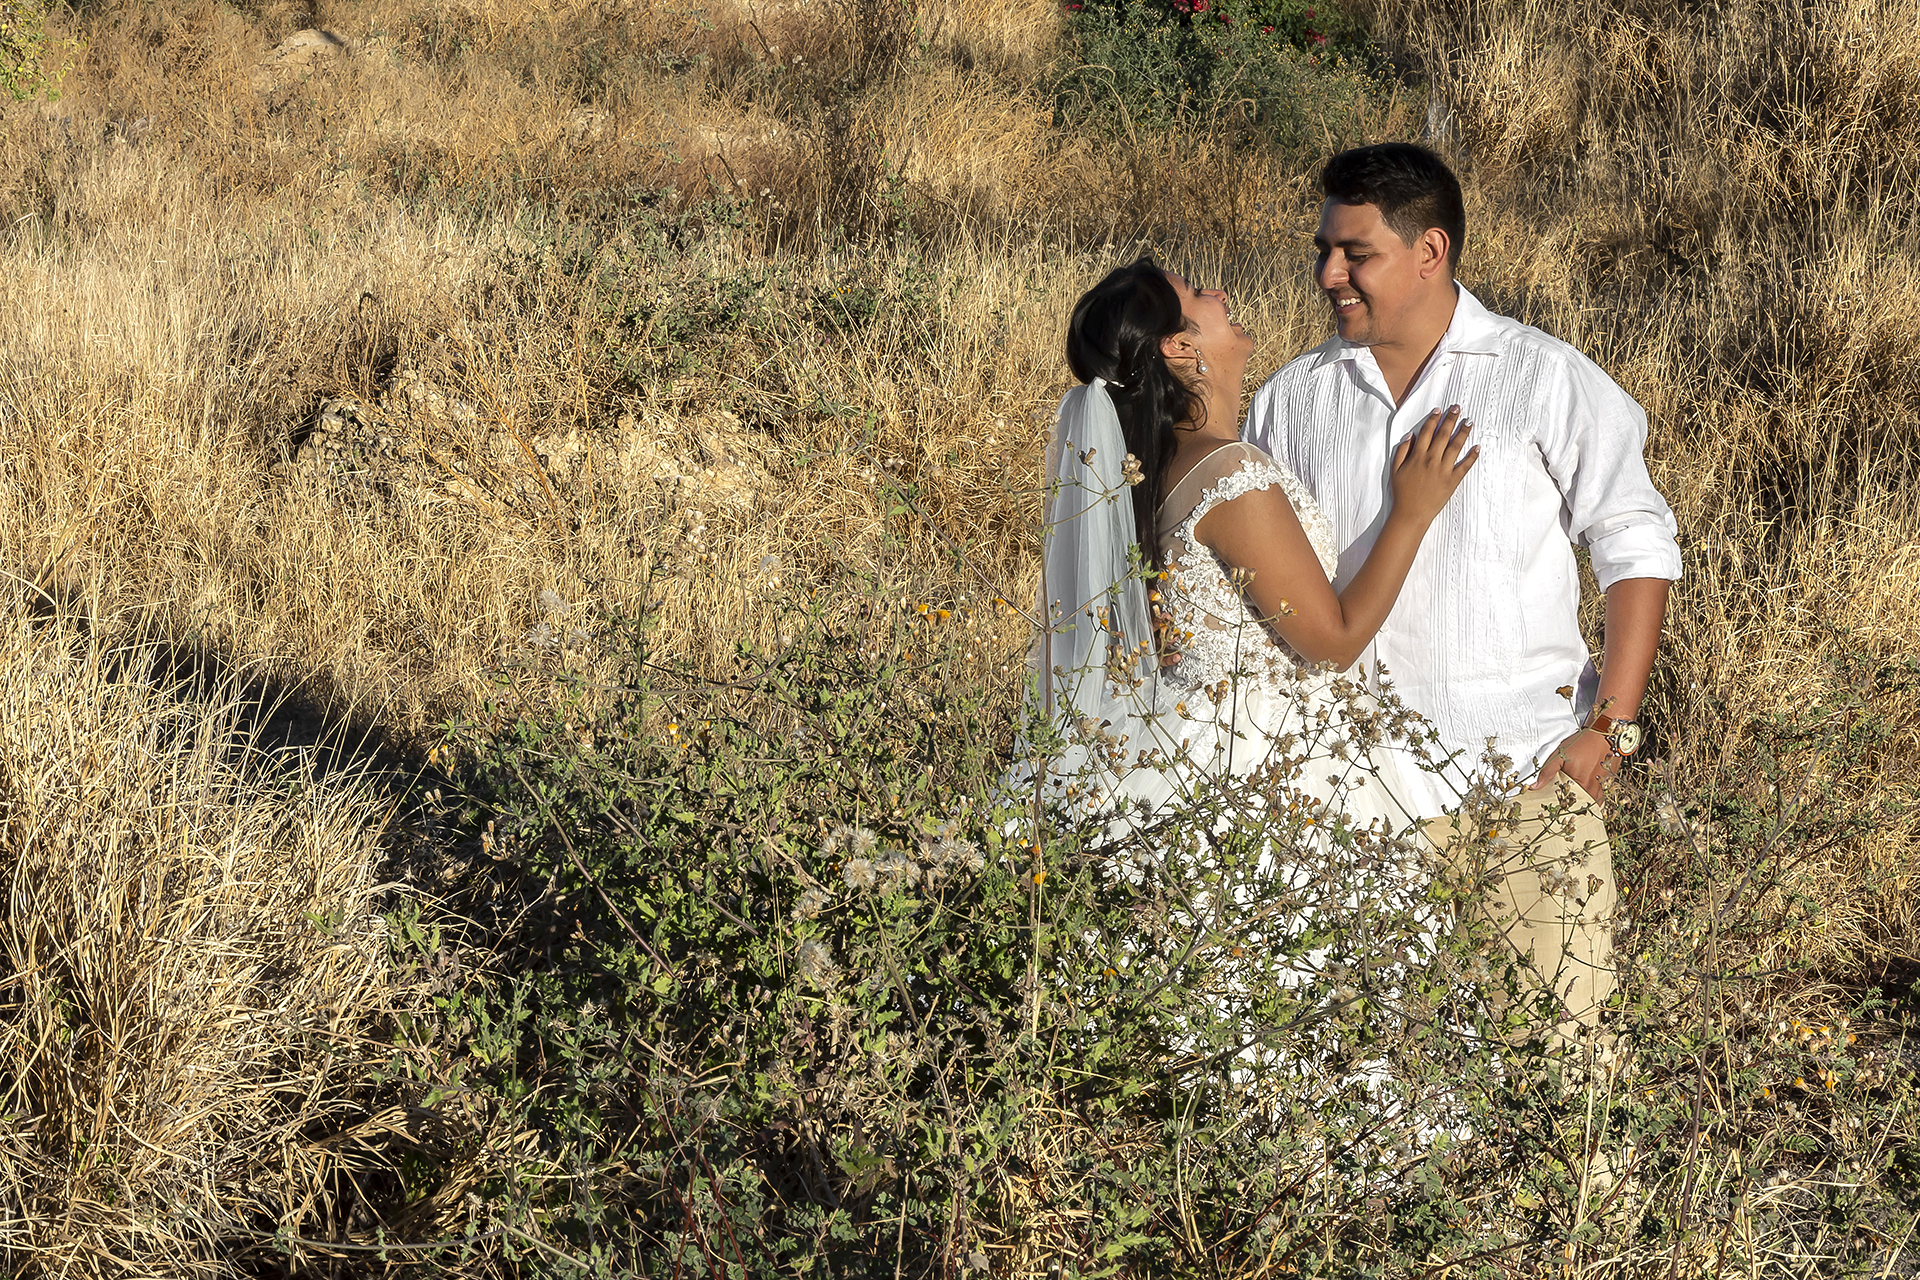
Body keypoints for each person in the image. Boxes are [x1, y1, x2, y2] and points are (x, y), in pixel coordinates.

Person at [1242, 143, 1683, 1032]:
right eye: (1322, 250)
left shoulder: (1542, 377)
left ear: (1430, 251)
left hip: (1521, 784)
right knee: (1378, 1097)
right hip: (1347, 809)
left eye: (1355, 253)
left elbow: (1634, 543)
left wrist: (1610, 728)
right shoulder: (1291, 401)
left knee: (1566, 1072)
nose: (1329, 273)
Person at [1027, 255, 1478, 853]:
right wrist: (1411, 513)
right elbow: (1334, 640)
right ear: (1179, 348)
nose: (1217, 290)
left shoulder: (1150, 476)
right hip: (1263, 758)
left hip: (1194, 742)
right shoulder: (1227, 472)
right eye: (1196, 294)